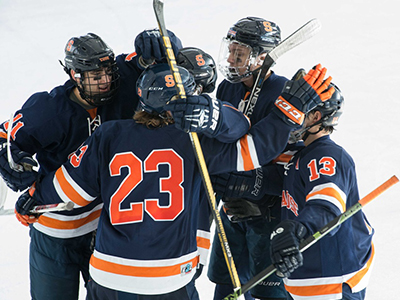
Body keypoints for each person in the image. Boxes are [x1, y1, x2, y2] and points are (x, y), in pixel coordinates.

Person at [13, 62, 333, 299]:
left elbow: (68, 191)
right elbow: (255, 150)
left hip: (111, 277)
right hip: (171, 280)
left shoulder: (109, 135)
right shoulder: (195, 141)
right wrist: (286, 112)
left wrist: (34, 196)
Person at [0, 30, 182, 300]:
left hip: (106, 227)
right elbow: (6, 139)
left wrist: (160, 40)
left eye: (108, 72)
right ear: (74, 75)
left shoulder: (123, 79)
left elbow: (164, 59)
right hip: (56, 230)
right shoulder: (48, 110)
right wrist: (25, 181)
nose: (106, 81)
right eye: (96, 77)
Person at [207, 16, 301, 300]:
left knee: (268, 292)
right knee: (226, 286)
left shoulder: (285, 93)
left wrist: (258, 189)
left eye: (241, 53)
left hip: (268, 215)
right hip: (232, 208)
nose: (233, 59)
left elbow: (292, 168)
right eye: (232, 50)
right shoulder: (228, 88)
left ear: (261, 57)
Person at [269, 83, 374, 300]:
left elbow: (326, 206)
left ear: (316, 117)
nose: (288, 117)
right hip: (310, 277)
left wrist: (298, 228)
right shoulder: (301, 153)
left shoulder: (326, 156)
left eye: (297, 112)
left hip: (333, 279)